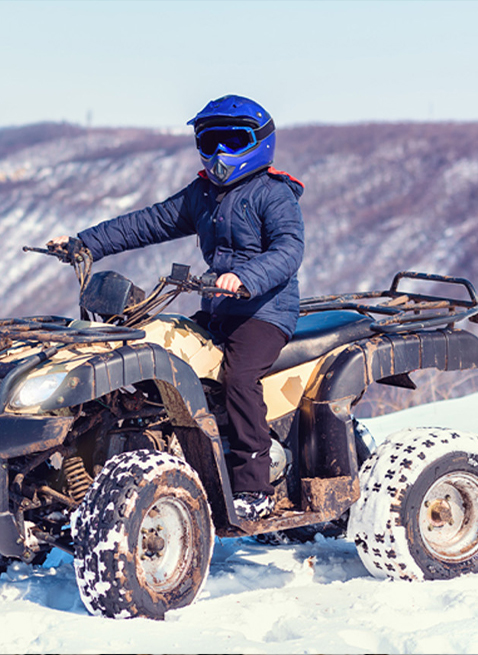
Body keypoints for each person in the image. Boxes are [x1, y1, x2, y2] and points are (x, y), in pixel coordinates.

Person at [47, 94, 304, 520]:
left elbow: (288, 250)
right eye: (212, 140)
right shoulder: (203, 194)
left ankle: (254, 487)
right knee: (168, 356)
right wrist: (84, 242)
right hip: (220, 309)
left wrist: (246, 277)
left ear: (258, 142)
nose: (221, 152)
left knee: (239, 379)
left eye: (233, 140)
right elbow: (147, 222)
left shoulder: (274, 194)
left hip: (264, 312)